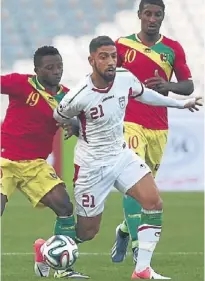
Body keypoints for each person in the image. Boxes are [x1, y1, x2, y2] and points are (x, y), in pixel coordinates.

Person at [53, 36, 201, 279]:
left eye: (113, 56)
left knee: (153, 202)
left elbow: (145, 94)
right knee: (88, 231)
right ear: (91, 60)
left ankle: (142, 269)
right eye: (103, 57)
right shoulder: (80, 94)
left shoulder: (124, 78)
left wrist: (181, 104)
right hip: (92, 166)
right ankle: (48, 253)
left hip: (121, 155)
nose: (110, 61)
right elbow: (59, 115)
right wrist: (74, 125)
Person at [111, 0, 194, 264]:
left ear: (162, 17)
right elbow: (107, 78)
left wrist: (167, 85)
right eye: (147, 13)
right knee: (132, 183)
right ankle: (138, 247)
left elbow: (188, 86)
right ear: (139, 15)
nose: (152, 18)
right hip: (129, 121)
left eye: (157, 14)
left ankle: (124, 230)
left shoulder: (172, 49)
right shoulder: (122, 45)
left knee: (145, 192)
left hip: (158, 126)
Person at [0, 46, 89, 279]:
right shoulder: (21, 84)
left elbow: (81, 124)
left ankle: (61, 268)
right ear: (37, 69)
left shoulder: (68, 97)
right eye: (49, 67)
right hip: (5, 160)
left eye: (59, 66)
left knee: (65, 207)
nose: (56, 71)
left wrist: (74, 126)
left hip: (35, 165)